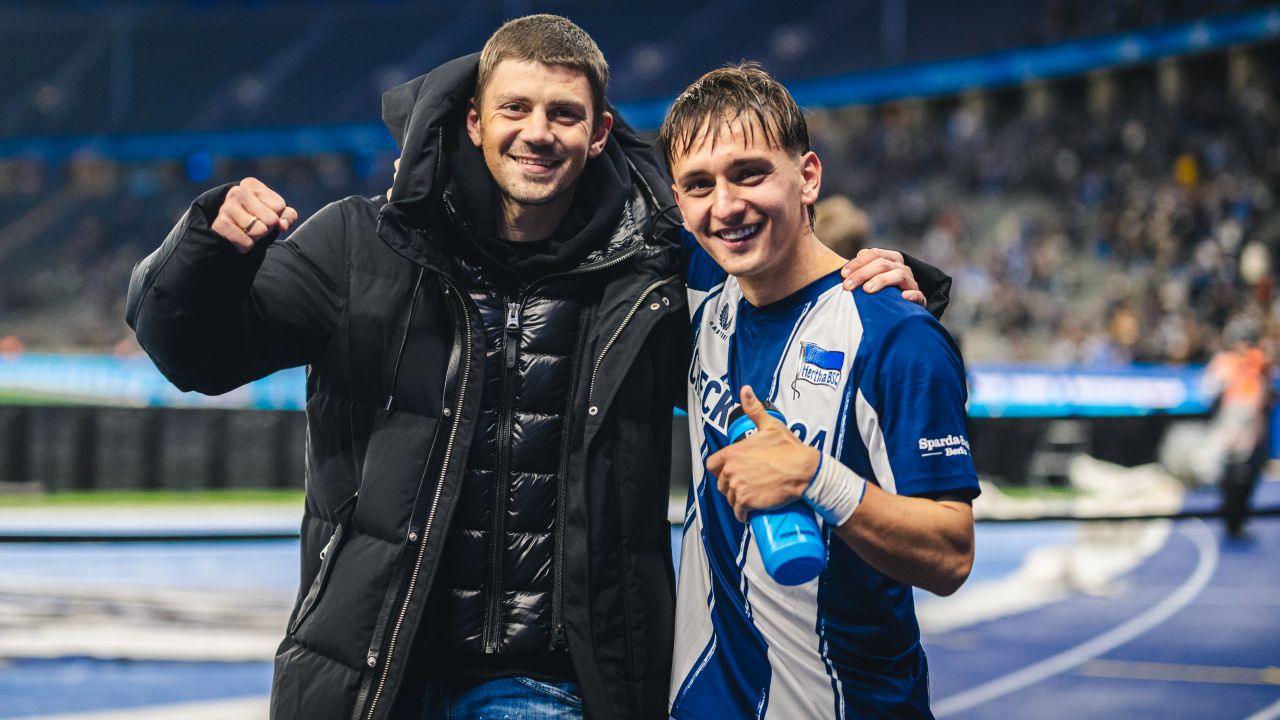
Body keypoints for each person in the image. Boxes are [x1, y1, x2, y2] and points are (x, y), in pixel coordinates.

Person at [126, 15, 944, 720]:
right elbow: (193, 354)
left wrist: (890, 281)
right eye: (514, 108)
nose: (537, 130)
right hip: (370, 667)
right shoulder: (356, 245)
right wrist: (207, 245)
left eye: (564, 113)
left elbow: (777, 271)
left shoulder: (651, 268)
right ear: (475, 120)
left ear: (597, 133)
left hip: (545, 680)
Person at [658, 63, 978, 719]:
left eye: (749, 173)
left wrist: (813, 476)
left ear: (807, 176)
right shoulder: (699, 286)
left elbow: (951, 553)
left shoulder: (897, 336)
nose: (725, 205)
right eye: (699, 185)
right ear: (678, 200)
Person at [1203, 326, 1275, 539]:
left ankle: (1237, 518)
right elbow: (1210, 389)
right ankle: (1231, 518)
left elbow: (1266, 393)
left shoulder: (1259, 362)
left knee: (1248, 475)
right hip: (1233, 427)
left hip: (1254, 427)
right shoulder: (1226, 362)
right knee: (1233, 475)